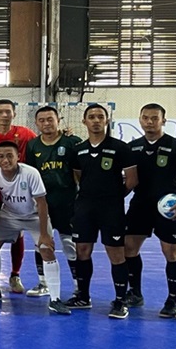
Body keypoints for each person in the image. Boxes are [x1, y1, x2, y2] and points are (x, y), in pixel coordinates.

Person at [124, 103, 176, 317]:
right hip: (140, 204)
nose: (150, 122)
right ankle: (135, 293)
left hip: (168, 207)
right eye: (145, 118)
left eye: (154, 118)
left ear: (164, 120)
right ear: (140, 119)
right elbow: (129, 180)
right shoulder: (132, 147)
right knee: (129, 248)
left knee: (171, 251)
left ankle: (172, 301)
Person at [71, 103, 137, 318]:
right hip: (85, 208)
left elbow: (132, 180)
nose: (96, 120)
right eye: (92, 117)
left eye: (100, 116)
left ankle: (120, 301)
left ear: (107, 120)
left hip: (112, 209)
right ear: (84, 121)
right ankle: (83, 296)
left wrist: (114, 196)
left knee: (116, 253)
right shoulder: (78, 149)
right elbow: (79, 176)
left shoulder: (120, 148)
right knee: (82, 251)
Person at [0, 142, 67, 314]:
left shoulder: (31, 173)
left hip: (34, 216)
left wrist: (45, 234)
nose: (5, 160)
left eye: (10, 155)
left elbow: (42, 203)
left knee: (46, 249)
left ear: (18, 157)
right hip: (9, 216)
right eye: (1, 156)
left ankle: (55, 299)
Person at [0, 99, 38, 294]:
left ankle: (15, 274)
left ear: (14, 114)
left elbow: (41, 146)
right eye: (1, 112)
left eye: (8, 112)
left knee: (18, 233)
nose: (5, 115)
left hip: (17, 193)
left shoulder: (25, 134)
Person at [25, 105, 82, 298]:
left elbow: (80, 171)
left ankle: (78, 286)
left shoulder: (72, 142)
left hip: (68, 202)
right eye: (42, 120)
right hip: (42, 203)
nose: (46, 123)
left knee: (70, 245)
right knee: (41, 243)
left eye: (50, 119)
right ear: (36, 123)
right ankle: (43, 283)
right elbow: (30, 174)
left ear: (58, 120)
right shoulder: (33, 145)